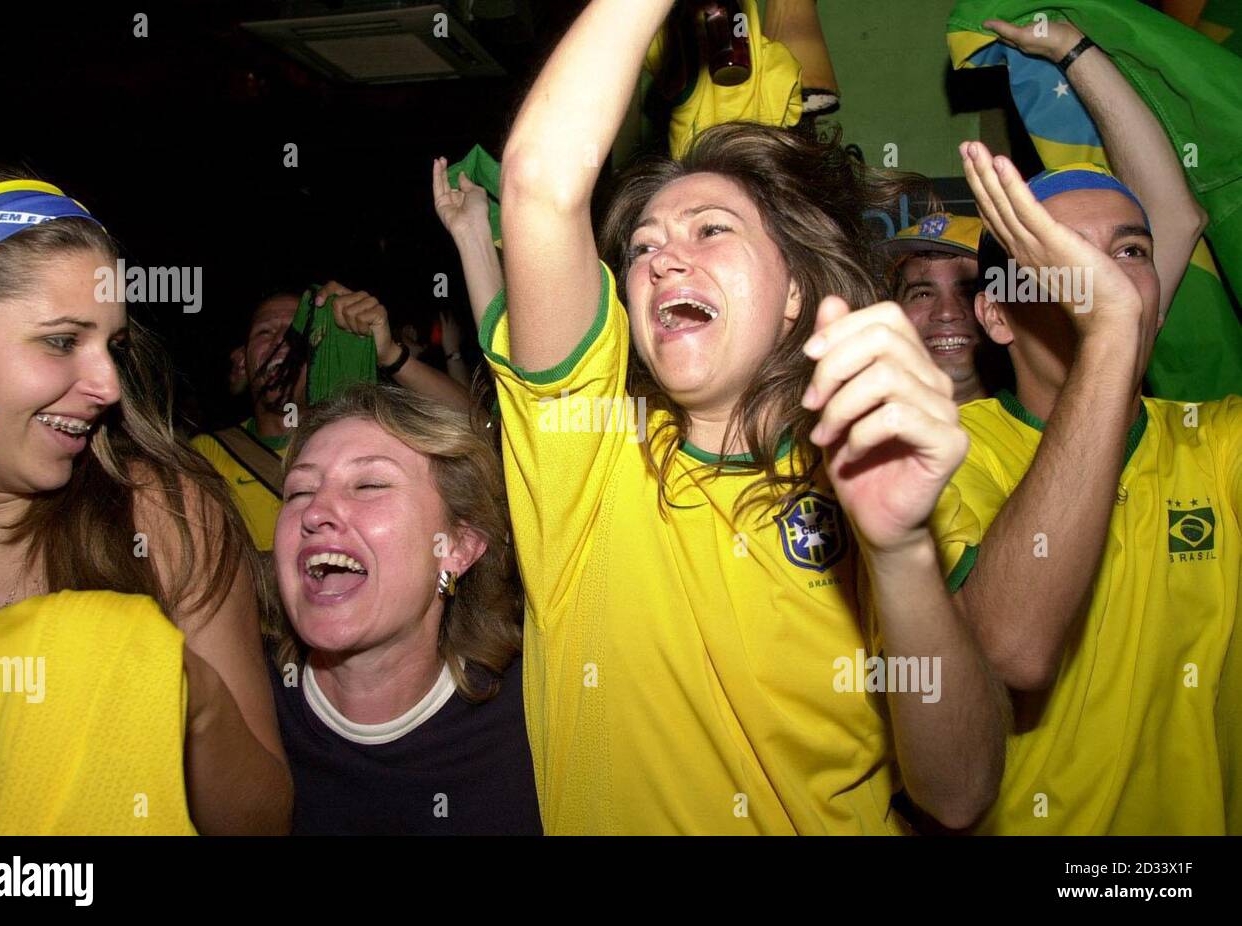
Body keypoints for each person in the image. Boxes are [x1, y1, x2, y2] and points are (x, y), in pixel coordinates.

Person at [488, 0, 1007, 835]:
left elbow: (960, 791)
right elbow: (539, 185)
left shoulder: (884, 471)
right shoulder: (583, 460)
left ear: (796, 290)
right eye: (645, 245)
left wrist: (903, 551)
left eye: (710, 229)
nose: (664, 260)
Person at [0, 168, 292, 834]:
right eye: (61, 341)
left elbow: (263, 821)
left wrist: (185, 693)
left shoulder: (166, 518)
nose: (107, 383)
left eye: (113, 346)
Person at [934, 138, 1235, 833]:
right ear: (998, 315)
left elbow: (1180, 214)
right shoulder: (945, 458)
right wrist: (1107, 333)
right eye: (1064, 255)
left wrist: (1076, 46)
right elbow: (1013, 648)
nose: (1106, 276)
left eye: (1130, 253)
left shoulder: (1215, 442)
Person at [268, 383, 541, 834]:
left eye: (369, 484)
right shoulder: (244, 717)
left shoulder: (530, 719)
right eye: (298, 492)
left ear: (460, 545)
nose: (315, 512)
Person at [193, 284, 471, 552]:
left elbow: (472, 427)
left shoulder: (367, 437)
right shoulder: (207, 454)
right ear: (242, 362)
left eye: (296, 331)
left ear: (317, 351)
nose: (280, 339)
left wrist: (389, 354)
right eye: (265, 332)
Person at [881, 213, 988, 405]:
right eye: (923, 294)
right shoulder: (861, 428)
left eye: (968, 292)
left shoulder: (1049, 424)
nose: (947, 313)